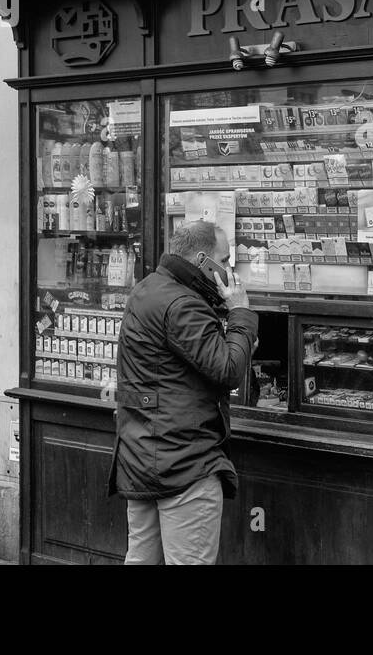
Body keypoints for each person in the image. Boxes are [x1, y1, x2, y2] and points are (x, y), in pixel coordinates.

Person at [107, 220, 256, 564]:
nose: (230, 268)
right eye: (225, 259)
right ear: (204, 261)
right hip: (183, 463)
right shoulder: (182, 304)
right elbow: (227, 370)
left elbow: (178, 365)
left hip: (142, 454)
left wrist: (233, 332)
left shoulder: (148, 290)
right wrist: (241, 314)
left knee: (142, 559)